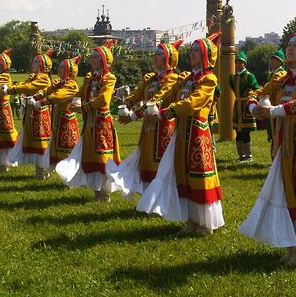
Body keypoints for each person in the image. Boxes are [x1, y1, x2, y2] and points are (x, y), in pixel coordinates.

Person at [239, 23, 296, 266]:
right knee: (284, 192)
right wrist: (254, 107)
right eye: (289, 44)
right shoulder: (281, 78)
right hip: (283, 144)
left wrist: (276, 110)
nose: (289, 48)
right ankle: (291, 246)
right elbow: (257, 92)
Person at [137, 33, 224, 235]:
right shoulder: (186, 78)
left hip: (197, 133)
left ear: (206, 55)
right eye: (192, 50)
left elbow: (194, 102)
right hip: (182, 133)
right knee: (183, 175)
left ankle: (204, 223)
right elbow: (167, 92)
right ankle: (191, 220)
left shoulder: (209, 80)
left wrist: (169, 111)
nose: (192, 54)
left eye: (197, 51)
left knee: (199, 175)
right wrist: (155, 103)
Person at [107, 40, 187, 199]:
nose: (154, 57)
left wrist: (134, 115)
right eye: (155, 54)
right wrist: (126, 105)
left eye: (159, 54)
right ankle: (148, 197)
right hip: (148, 129)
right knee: (146, 162)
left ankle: (162, 198)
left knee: (161, 163)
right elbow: (136, 94)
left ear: (168, 58)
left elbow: (159, 98)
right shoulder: (150, 79)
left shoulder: (173, 79)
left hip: (164, 127)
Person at [56, 43, 122, 202]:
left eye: (95, 57)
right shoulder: (90, 78)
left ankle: (105, 192)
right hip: (90, 122)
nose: (92, 60)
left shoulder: (109, 78)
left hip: (102, 122)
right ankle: (96, 191)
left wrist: (86, 106)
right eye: (91, 57)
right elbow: (79, 92)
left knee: (103, 157)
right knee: (90, 156)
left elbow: (104, 98)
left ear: (104, 60)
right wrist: (71, 99)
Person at [5, 49, 54, 178]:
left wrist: (12, 89)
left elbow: (29, 87)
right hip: (33, 113)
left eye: (36, 61)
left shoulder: (43, 78)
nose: (33, 62)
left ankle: (43, 171)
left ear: (42, 65)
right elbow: (26, 84)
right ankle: (40, 171)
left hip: (40, 114)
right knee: (35, 140)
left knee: (40, 141)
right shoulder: (36, 76)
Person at [35, 55, 81, 171]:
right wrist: (38, 95)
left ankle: (69, 178)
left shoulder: (71, 85)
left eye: (61, 67)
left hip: (67, 121)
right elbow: (48, 89)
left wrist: (44, 101)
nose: (58, 69)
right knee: (56, 148)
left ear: (68, 71)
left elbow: (59, 95)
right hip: (58, 120)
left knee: (67, 148)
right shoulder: (59, 82)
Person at [230, 50, 260, 162]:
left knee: (245, 131)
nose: (238, 64)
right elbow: (233, 88)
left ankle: (248, 156)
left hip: (245, 106)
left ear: (244, 64)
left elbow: (256, 88)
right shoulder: (232, 77)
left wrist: (250, 98)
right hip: (237, 105)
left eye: (240, 62)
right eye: (236, 62)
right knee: (238, 131)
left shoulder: (249, 76)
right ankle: (240, 155)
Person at [264, 49, 287, 160]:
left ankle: (277, 162)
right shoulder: (272, 74)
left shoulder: (280, 74)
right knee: (272, 136)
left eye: (274, 60)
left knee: (277, 136)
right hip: (271, 108)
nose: (271, 62)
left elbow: (267, 90)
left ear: (280, 62)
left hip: (277, 109)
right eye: (271, 60)